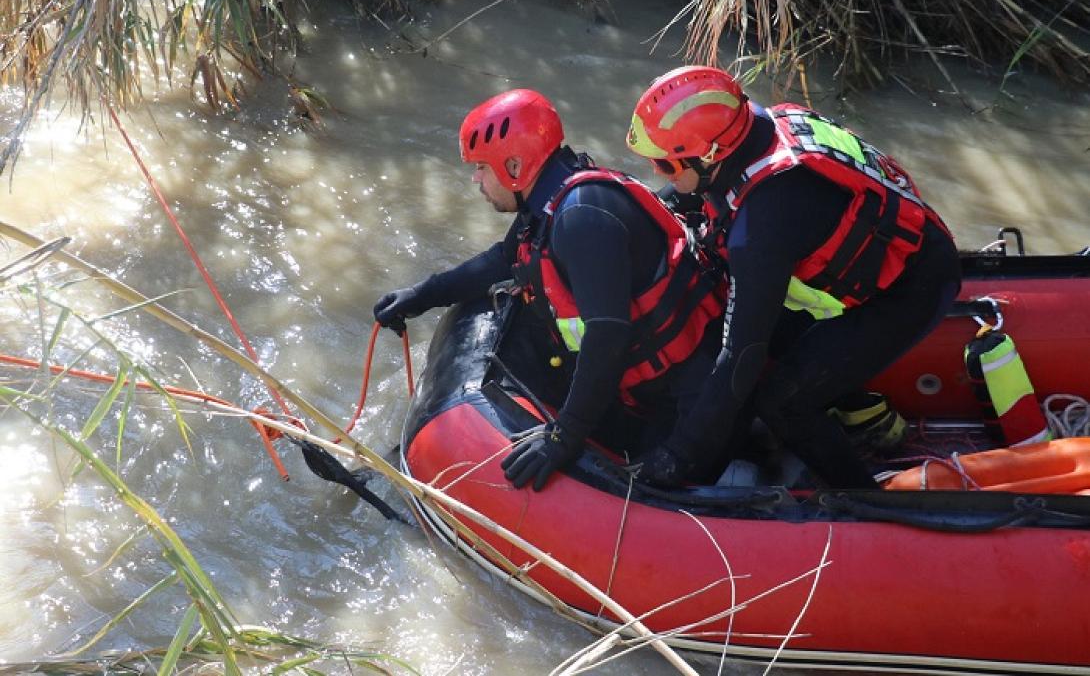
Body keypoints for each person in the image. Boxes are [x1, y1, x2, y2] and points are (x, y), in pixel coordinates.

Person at [373, 88, 727, 491]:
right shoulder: (551, 197)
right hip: (648, 387)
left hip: (691, 402)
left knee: (649, 485)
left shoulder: (580, 218)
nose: (475, 179)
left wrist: (563, 438)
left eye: (481, 168)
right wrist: (421, 295)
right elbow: (502, 260)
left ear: (514, 166)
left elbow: (608, 336)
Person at [625, 66, 962, 489]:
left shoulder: (763, 224)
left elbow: (741, 354)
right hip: (891, 246)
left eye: (665, 163)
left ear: (711, 155)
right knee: (776, 332)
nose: (660, 172)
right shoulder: (758, 127)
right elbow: (691, 197)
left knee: (782, 401)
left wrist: (679, 455)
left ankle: (867, 500)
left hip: (912, 289)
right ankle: (859, 412)